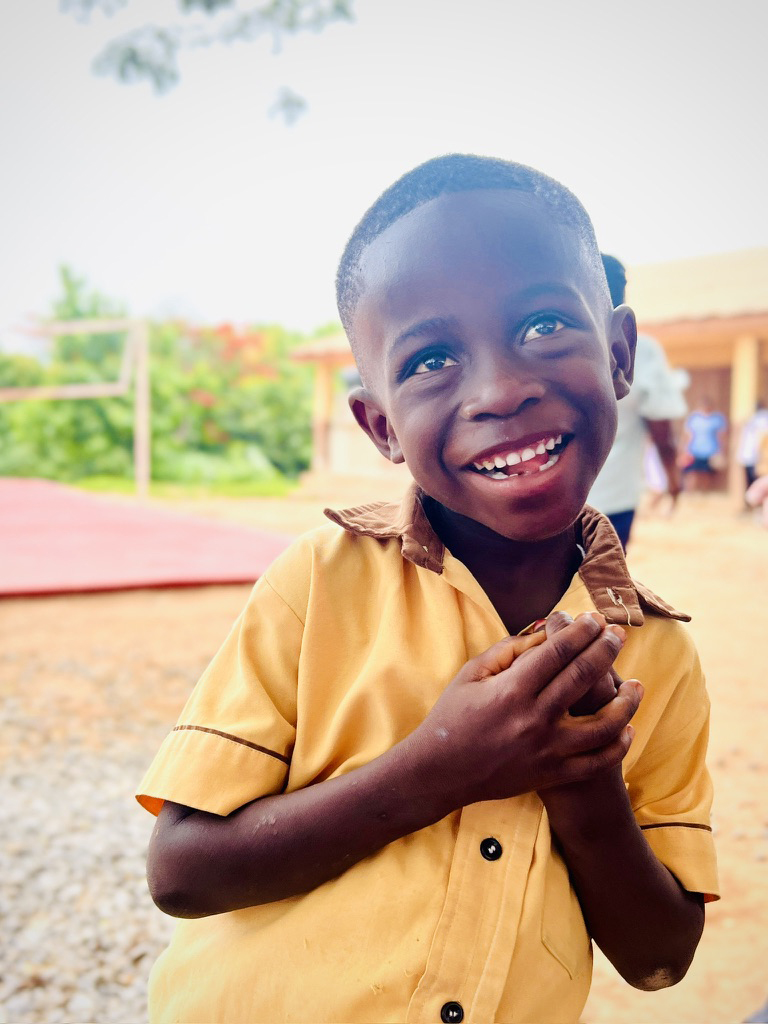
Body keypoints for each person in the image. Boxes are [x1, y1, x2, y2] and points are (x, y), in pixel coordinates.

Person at [138, 155, 718, 1024]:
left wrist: (586, 787)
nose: (500, 388)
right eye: (432, 358)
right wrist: (434, 772)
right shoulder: (318, 584)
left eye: (543, 324)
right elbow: (182, 873)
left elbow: (661, 958)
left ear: (620, 353)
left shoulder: (658, 656)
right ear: (379, 425)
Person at [587, 254, 686, 550]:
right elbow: (662, 431)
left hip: (548, 500)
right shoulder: (642, 350)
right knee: (602, 588)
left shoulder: (543, 342)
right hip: (614, 500)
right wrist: (673, 479)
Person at [681, 397, 728, 492]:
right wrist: (684, 449)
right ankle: (690, 493)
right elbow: (688, 435)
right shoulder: (694, 418)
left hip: (711, 451)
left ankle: (703, 492)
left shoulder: (717, 418)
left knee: (706, 474)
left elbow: (721, 436)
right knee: (692, 473)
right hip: (694, 450)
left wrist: (721, 450)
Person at [737, 399, 768, 493]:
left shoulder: (764, 418)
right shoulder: (751, 418)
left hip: (759, 456)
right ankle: (750, 503)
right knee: (749, 480)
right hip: (749, 454)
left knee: (757, 481)